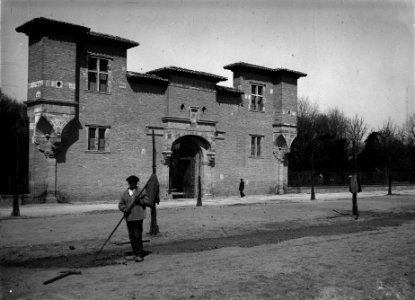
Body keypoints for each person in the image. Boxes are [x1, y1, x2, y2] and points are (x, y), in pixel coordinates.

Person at [118, 175, 149, 262]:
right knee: (131, 236)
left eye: (134, 183)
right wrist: (125, 209)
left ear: (136, 183)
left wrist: (139, 200)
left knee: (137, 235)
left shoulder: (141, 192)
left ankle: (139, 254)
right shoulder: (125, 193)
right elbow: (121, 204)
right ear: (128, 183)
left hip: (138, 217)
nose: (132, 184)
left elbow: (147, 202)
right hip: (129, 218)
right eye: (130, 183)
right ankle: (135, 252)